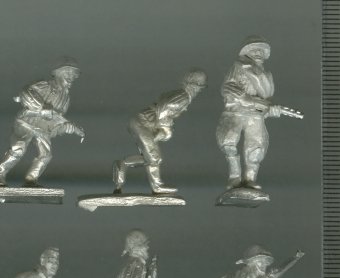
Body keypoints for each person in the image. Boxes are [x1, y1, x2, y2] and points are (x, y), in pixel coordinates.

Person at [0, 59, 85, 187]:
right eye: (67, 73)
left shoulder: (65, 99)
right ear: (57, 73)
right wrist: (41, 108)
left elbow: (55, 123)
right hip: (26, 122)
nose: (71, 77)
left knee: (46, 155)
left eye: (74, 75)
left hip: (42, 129)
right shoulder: (45, 85)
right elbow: (26, 92)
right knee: (18, 148)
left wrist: (66, 127)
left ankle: (31, 180)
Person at [113, 70, 206, 194]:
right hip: (143, 123)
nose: (199, 90)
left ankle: (123, 164)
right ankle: (157, 187)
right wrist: (166, 127)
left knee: (149, 158)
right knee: (154, 158)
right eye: (199, 86)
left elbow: (163, 101)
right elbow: (164, 110)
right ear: (193, 85)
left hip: (143, 123)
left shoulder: (179, 93)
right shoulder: (184, 97)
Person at [216, 36, 281, 191]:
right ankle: (234, 177)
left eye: (261, 50)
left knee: (256, 147)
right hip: (235, 112)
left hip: (256, 115)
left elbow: (267, 100)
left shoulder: (267, 75)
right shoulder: (239, 67)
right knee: (228, 141)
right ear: (247, 52)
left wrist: (271, 110)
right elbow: (227, 88)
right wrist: (245, 99)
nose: (258, 53)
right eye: (254, 50)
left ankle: (250, 179)